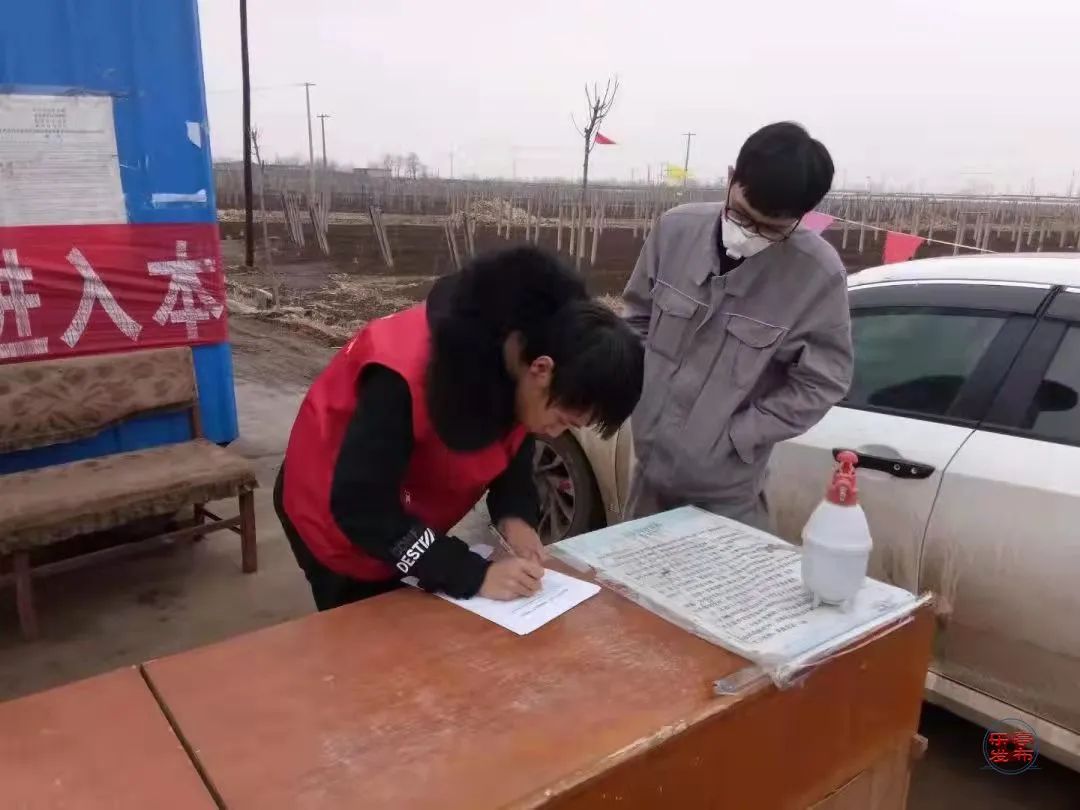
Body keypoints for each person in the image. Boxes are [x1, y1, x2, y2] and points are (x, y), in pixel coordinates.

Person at [276, 246, 644, 611]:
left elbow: (513, 447)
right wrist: (471, 574)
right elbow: (362, 507)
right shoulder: (402, 376)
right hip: (333, 511)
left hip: (400, 507)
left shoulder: (525, 355)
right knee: (367, 630)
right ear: (541, 370)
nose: (554, 433)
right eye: (562, 419)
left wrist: (516, 517)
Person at [622, 121, 853, 531]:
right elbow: (636, 319)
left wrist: (739, 435)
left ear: (801, 217)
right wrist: (644, 396)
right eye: (742, 215)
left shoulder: (818, 276)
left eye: (771, 230)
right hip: (648, 476)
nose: (748, 235)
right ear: (731, 177)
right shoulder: (675, 231)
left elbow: (822, 382)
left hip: (727, 499)